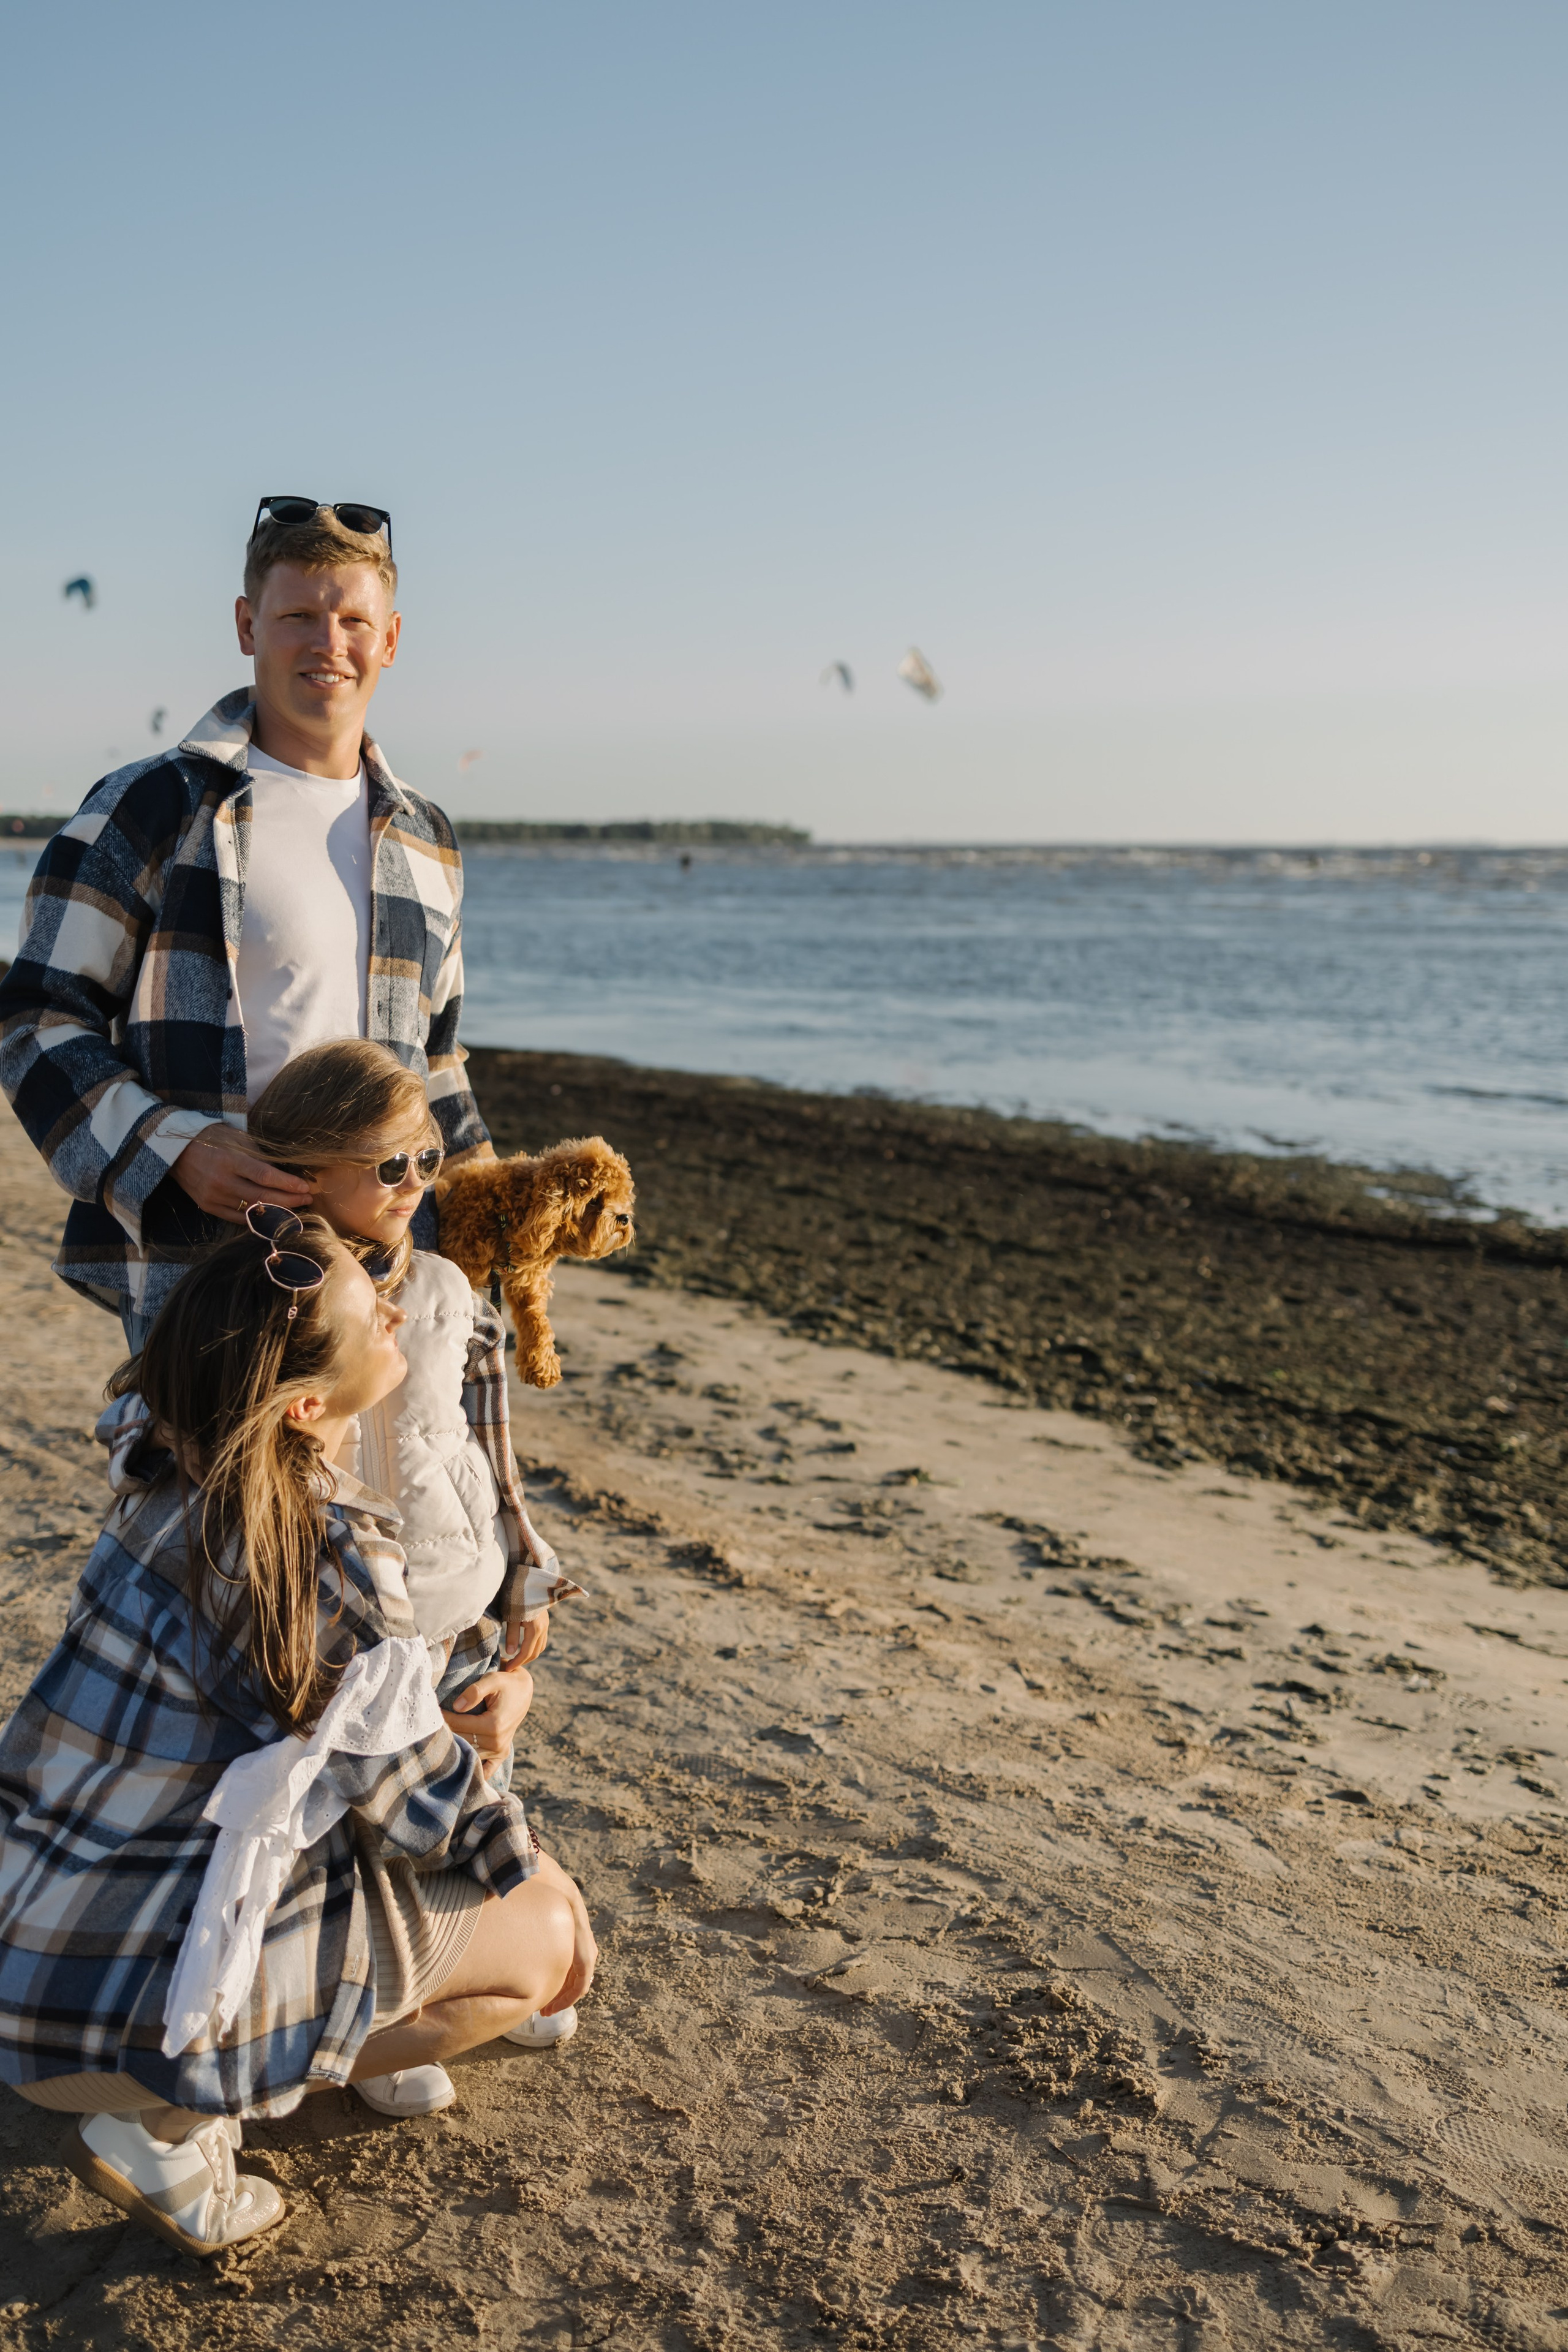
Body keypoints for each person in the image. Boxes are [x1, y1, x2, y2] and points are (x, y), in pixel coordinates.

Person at [0, 1216, 596, 2255]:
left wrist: (427, 1734)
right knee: (547, 1945)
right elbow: (424, 1800)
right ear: (310, 1405)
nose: (401, 1309)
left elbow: (316, 1728)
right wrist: (507, 1794)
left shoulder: (160, 1467)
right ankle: (168, 2131)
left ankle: (178, 2090)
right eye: (376, 1314)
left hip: (25, 1938)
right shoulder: (321, 1551)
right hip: (97, 2016)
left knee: (500, 1887)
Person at [0, 497, 493, 1353]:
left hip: (388, 1281)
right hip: (210, 1271)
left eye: (351, 619)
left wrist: (491, 1200)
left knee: (405, 1490)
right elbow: (36, 1016)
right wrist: (176, 1148)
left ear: (391, 639)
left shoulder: (427, 838)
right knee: (215, 1490)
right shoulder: (155, 806)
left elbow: (437, 1063)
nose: (327, 642)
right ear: (246, 624)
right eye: (297, 615)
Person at [247, 1038, 587, 2095]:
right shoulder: (277, 1297)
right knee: (367, 1817)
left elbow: (492, 1444)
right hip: (346, 1625)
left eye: (428, 1161)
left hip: (453, 1600)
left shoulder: (444, 1284)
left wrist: (524, 1573)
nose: (416, 1187)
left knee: (479, 1770)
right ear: (305, 1176)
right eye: (388, 1166)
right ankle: (388, 2002)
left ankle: (465, 1959)